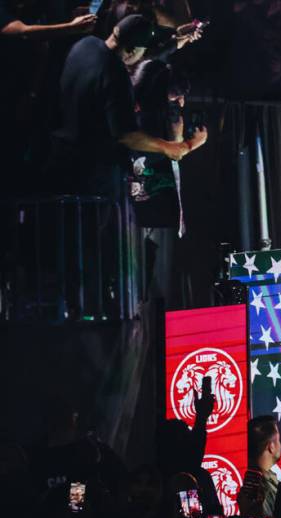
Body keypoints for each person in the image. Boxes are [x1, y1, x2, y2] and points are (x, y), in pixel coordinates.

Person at [50, 14, 189, 198]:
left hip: (60, 152)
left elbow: (136, 57)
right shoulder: (116, 76)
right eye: (143, 49)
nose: (144, 54)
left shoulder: (86, 44)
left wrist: (175, 41)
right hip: (90, 173)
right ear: (131, 50)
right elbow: (127, 135)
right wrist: (169, 147)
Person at [130, 59, 206, 307]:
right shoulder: (155, 120)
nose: (179, 103)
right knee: (142, 264)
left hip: (135, 200)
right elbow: (176, 146)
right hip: (147, 202)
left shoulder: (130, 107)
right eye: (176, 97)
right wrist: (195, 141)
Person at [237, 415, 281, 517]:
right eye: (278, 440)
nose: (280, 444)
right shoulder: (260, 489)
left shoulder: (258, 481)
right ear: (271, 447)